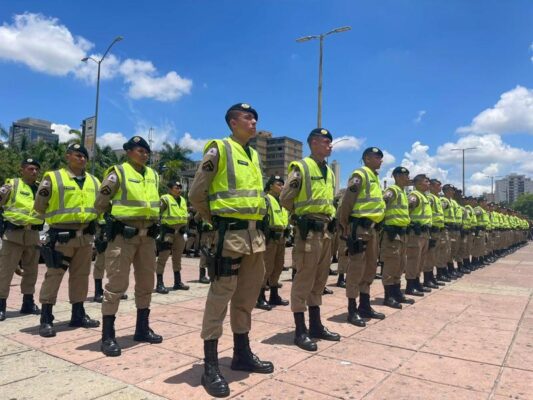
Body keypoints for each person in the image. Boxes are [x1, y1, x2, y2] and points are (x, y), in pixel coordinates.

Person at [188, 103, 273, 398]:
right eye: (248, 117)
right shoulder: (219, 148)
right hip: (229, 235)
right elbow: (197, 194)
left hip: (254, 237)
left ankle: (241, 354)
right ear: (233, 121)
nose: (254, 121)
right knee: (220, 297)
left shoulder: (252, 154)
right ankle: (210, 365)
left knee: (246, 297)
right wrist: (219, 221)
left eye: (255, 118)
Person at [95, 136, 162, 357]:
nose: (144, 154)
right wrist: (113, 222)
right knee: (116, 284)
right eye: (139, 150)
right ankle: (108, 335)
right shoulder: (118, 172)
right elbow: (100, 202)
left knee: (146, 283)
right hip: (124, 236)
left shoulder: (153, 174)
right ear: (128, 152)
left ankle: (142, 328)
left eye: (146, 151)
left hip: (148, 237)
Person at [280, 128, 339, 351]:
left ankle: (316, 325)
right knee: (304, 279)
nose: (330, 145)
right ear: (313, 143)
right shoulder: (301, 167)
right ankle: (300, 330)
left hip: (325, 231)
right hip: (308, 231)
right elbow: (286, 198)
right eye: (326, 141)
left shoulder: (330, 172)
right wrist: (300, 217)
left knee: (320, 280)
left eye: (330, 142)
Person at [34, 144, 100, 337]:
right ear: (68, 156)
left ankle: (78, 314)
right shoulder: (53, 178)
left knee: (81, 276)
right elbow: (40, 206)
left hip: (85, 236)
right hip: (61, 236)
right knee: (54, 276)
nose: (81, 159)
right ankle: (46, 318)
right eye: (77, 155)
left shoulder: (94, 181)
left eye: (84, 157)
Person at [338, 147, 386, 327]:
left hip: (373, 230)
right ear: (366, 158)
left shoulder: (374, 177)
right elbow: (347, 202)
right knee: (356, 269)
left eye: (381, 157)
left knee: (370, 268)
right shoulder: (360, 174)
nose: (380, 160)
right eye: (377, 157)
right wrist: (344, 225)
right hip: (360, 229)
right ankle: (352, 309)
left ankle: (365, 305)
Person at [0, 158, 43, 321]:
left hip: (33, 234)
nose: (34, 172)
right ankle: (1, 306)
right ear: (22, 169)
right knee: (5, 271)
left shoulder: (41, 188)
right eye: (30, 168)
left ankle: (28, 303)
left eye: (36, 169)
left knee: (31, 271)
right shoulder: (12, 185)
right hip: (13, 234)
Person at [380, 167, 414, 309]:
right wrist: (384, 225)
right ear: (398, 176)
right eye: (406, 175)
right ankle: (388, 296)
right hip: (392, 234)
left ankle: (396, 293)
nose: (408, 178)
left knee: (400, 264)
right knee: (391, 264)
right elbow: (382, 204)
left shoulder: (402, 193)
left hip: (402, 233)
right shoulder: (392, 190)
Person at [256, 175, 290, 310]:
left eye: (282, 184)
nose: (281, 187)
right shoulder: (266, 200)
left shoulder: (281, 202)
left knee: (278, 266)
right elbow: (260, 220)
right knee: (266, 267)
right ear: (270, 186)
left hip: (281, 237)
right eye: (278, 184)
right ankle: (260, 297)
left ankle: (274, 295)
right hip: (270, 237)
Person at [155, 181, 189, 293]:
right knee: (163, 258)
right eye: (176, 187)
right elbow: (157, 213)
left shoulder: (183, 200)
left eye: (180, 187)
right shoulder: (165, 199)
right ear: (170, 189)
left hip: (180, 232)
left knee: (177, 258)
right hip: (168, 231)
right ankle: (159, 284)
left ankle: (177, 282)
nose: (179, 189)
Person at [405, 174, 432, 296]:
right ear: (419, 184)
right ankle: (410, 286)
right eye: (426, 181)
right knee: (413, 260)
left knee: (420, 260)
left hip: (424, 233)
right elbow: (406, 212)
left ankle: (416, 283)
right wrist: (411, 224)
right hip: (416, 233)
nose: (428, 183)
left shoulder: (424, 196)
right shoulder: (414, 196)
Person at [423, 179, 445, 289]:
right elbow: (428, 213)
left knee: (434, 256)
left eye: (440, 186)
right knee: (429, 256)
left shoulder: (437, 198)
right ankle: (427, 279)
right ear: (431, 187)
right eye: (437, 186)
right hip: (432, 230)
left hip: (438, 230)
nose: (440, 188)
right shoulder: (430, 198)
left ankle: (431, 278)